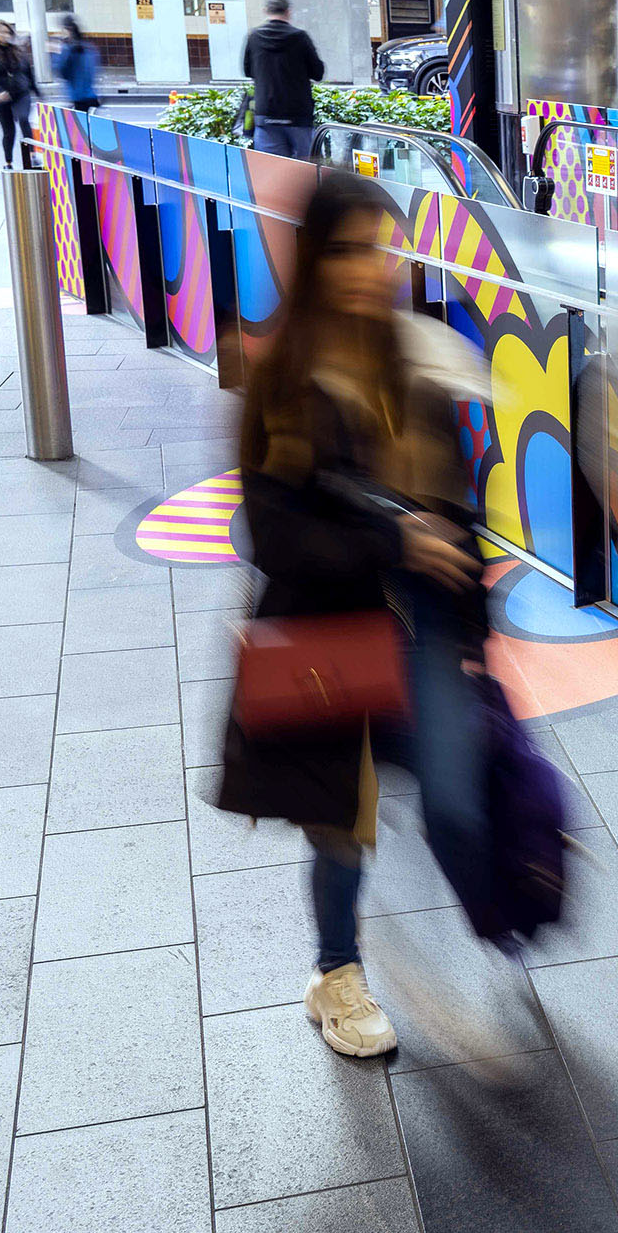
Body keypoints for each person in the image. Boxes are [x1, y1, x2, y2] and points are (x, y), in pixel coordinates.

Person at [215, 172, 495, 1059]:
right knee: (342, 818)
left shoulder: (414, 360)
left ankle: (475, 930)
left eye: (383, 250)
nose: (370, 271)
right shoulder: (284, 377)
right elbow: (270, 534)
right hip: (330, 625)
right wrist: (393, 546)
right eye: (347, 251)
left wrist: (477, 632)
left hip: (425, 625)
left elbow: (460, 508)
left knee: (454, 796)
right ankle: (336, 973)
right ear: (314, 258)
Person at [243, 0, 325, 159]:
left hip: (266, 114)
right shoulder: (300, 37)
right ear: (288, 12)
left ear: (265, 10)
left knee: (273, 170)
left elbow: (247, 71)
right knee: (305, 171)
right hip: (298, 115)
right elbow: (318, 73)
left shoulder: (254, 37)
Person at [0, 21, 39, 171]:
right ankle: (8, 162)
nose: (5, 35)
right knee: (9, 131)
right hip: (1, 97)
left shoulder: (17, 50)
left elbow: (27, 71)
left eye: (7, 32)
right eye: (1, 32)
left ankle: (33, 155)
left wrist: (35, 89)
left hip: (21, 92)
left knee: (23, 119)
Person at [51, 15, 100, 113]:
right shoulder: (88, 48)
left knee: (81, 125)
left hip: (77, 95)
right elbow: (93, 71)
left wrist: (55, 52)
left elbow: (62, 71)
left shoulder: (67, 49)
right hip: (90, 93)